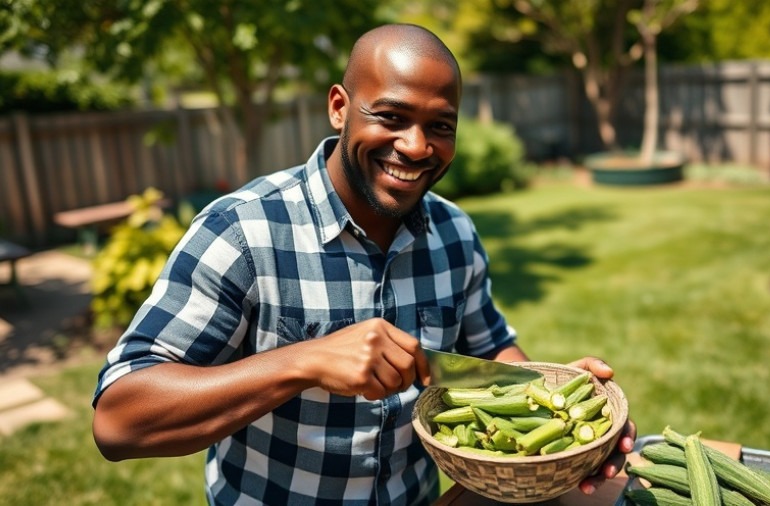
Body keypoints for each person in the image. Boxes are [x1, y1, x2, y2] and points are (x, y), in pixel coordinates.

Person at [91, 23, 636, 505]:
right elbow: (119, 420)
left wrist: (564, 409)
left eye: (440, 126)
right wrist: (301, 362)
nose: (417, 146)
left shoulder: (453, 233)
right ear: (339, 107)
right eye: (392, 116)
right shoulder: (243, 232)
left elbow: (487, 348)